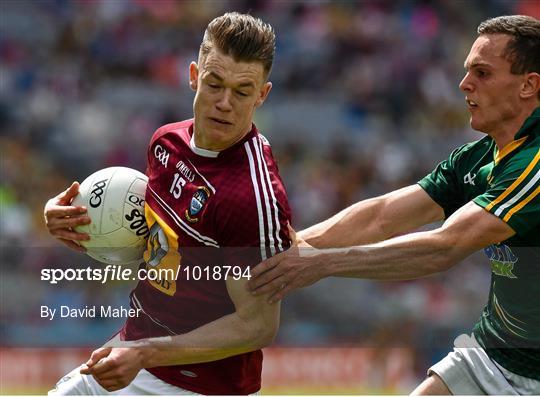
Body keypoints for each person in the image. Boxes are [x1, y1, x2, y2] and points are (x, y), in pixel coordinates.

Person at [248, 14, 540, 395]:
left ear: (528, 85)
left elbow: (446, 246)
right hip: (495, 356)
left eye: (482, 73)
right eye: (468, 70)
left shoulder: (533, 163)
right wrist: (291, 249)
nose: (464, 84)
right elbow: (382, 215)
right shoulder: (478, 158)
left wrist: (322, 264)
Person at [44, 12, 291, 395]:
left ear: (262, 94)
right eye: (214, 84)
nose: (224, 102)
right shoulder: (165, 143)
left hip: (198, 387)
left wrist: (144, 354)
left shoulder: (251, 196)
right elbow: (155, 247)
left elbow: (258, 325)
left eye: (242, 91)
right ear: (194, 75)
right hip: (136, 350)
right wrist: (74, 221)